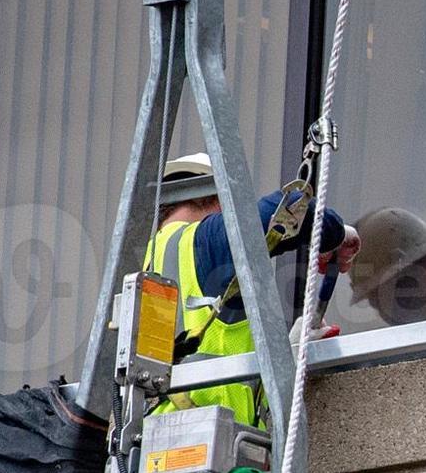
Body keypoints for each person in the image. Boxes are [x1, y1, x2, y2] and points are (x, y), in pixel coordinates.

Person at [144, 152, 356, 426]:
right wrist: (339, 234)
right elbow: (296, 207)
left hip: (159, 447)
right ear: (219, 200)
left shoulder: (145, 267)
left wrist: (286, 353)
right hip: (204, 445)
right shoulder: (204, 241)